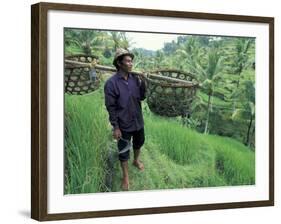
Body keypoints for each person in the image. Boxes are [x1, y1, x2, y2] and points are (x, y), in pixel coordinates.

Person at [104, 48, 146, 191]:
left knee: (139, 142)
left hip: (137, 120)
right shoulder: (111, 83)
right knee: (123, 151)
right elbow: (111, 107)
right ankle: (126, 177)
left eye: (131, 61)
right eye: (128, 61)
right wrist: (116, 127)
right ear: (119, 63)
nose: (131, 63)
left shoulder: (135, 79)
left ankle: (136, 160)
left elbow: (142, 97)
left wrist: (144, 83)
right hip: (123, 124)